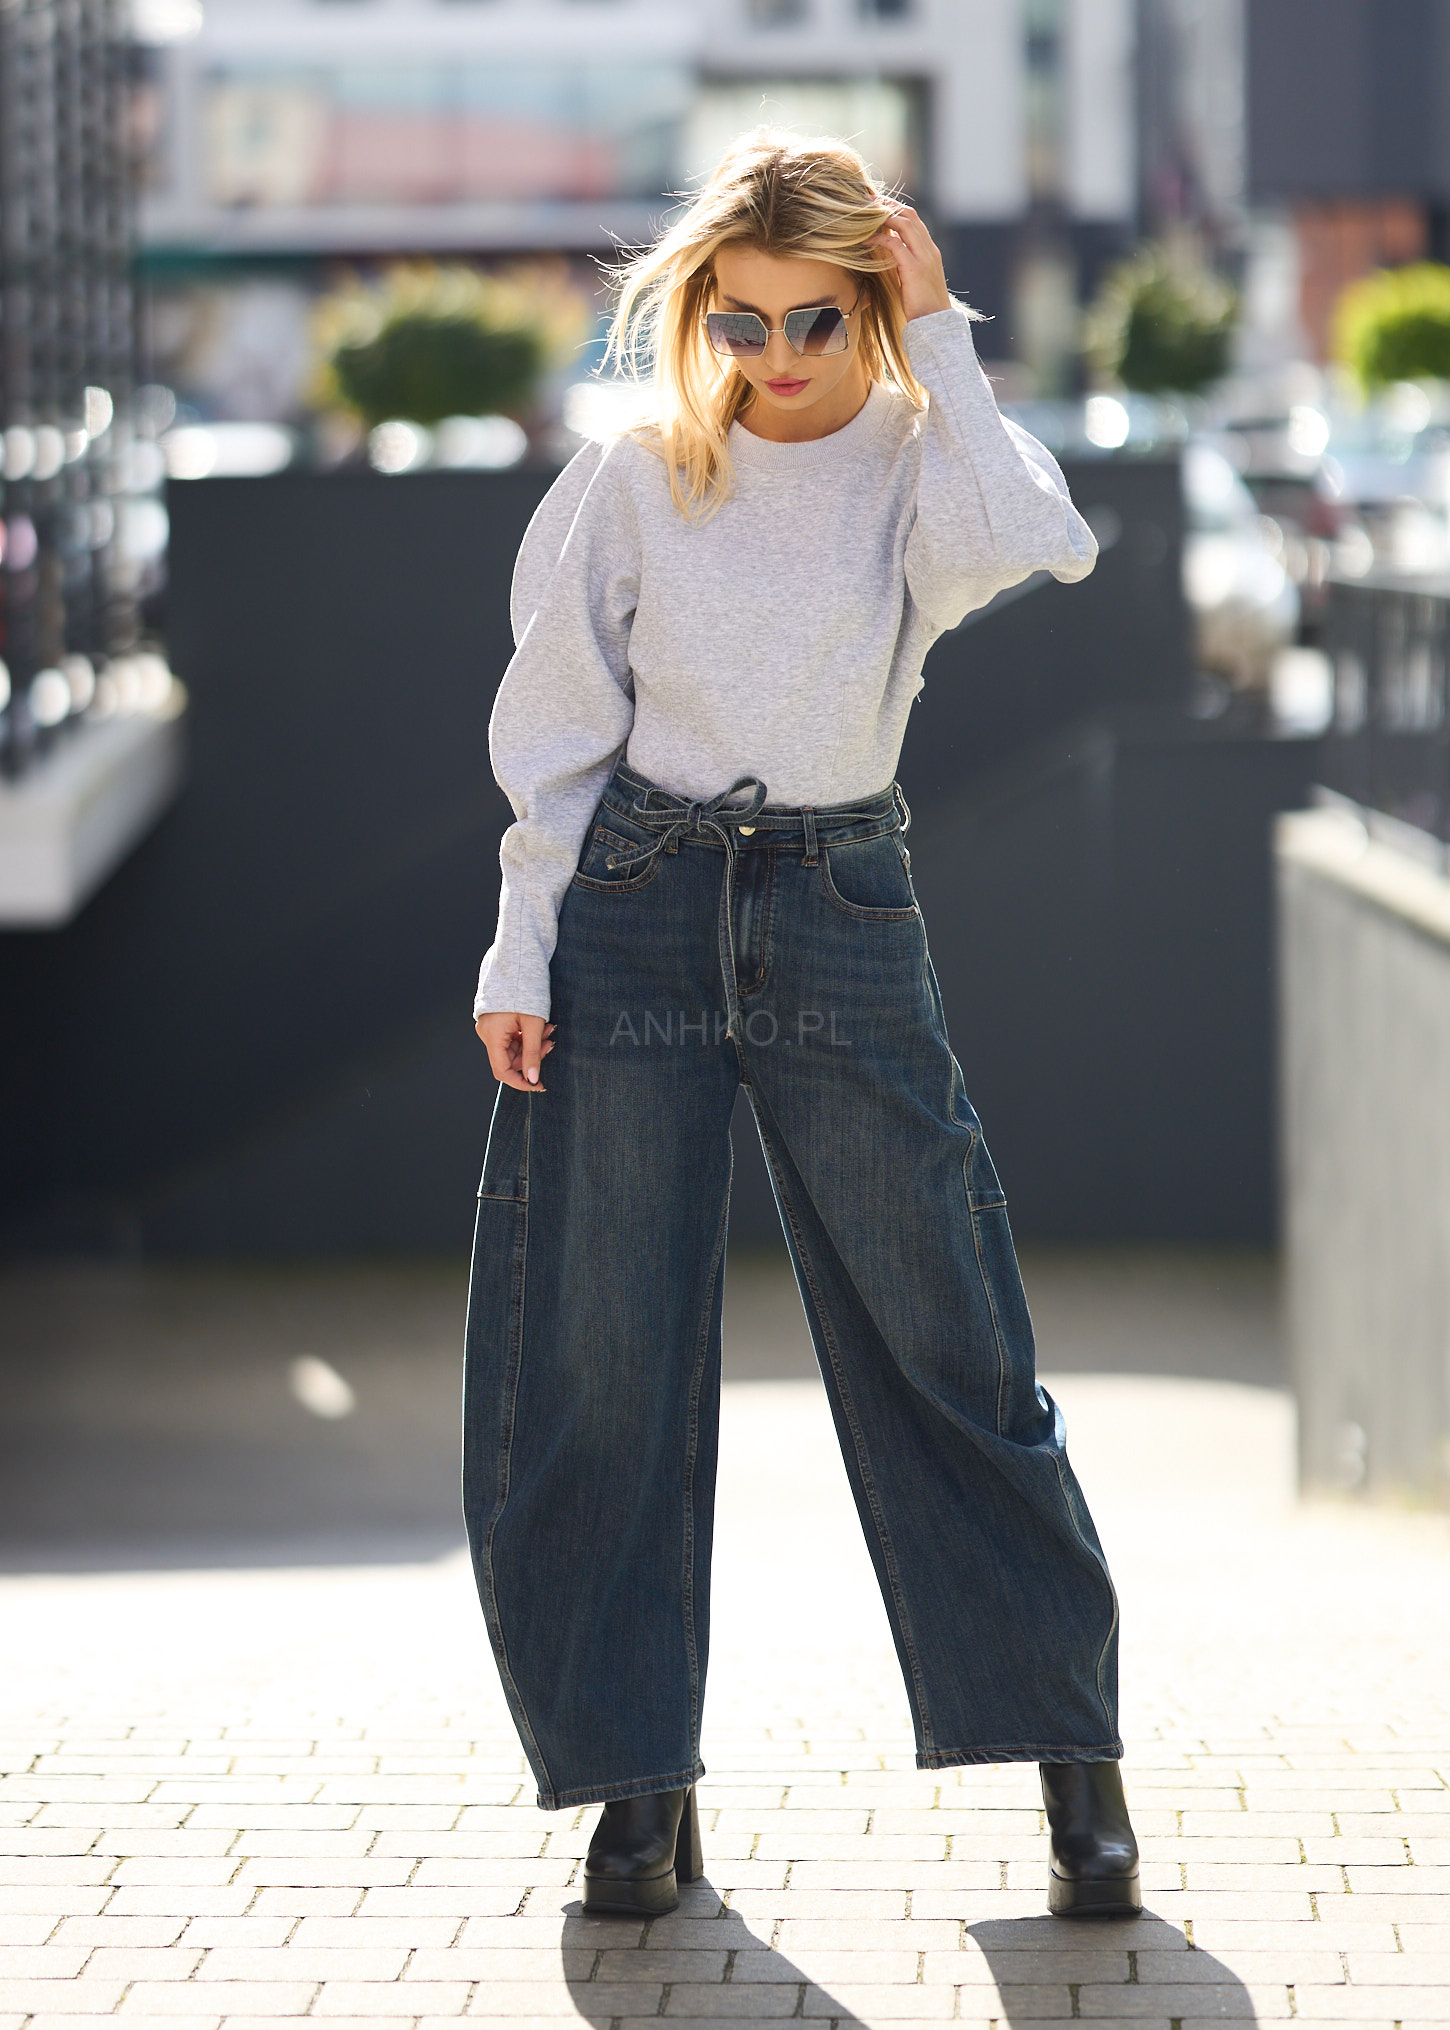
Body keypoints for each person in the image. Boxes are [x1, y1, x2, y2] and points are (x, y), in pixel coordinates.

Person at [466, 126, 1140, 1923]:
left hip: (838, 905)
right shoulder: (633, 477)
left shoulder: (924, 456)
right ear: (699, 311)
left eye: (816, 320)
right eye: (740, 320)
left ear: (870, 305)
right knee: (603, 1355)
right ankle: (638, 1784)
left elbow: (1036, 546)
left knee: (951, 1329)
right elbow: (553, 731)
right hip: (634, 904)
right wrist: (521, 949)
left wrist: (946, 330)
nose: (774, 357)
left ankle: (1072, 1757)